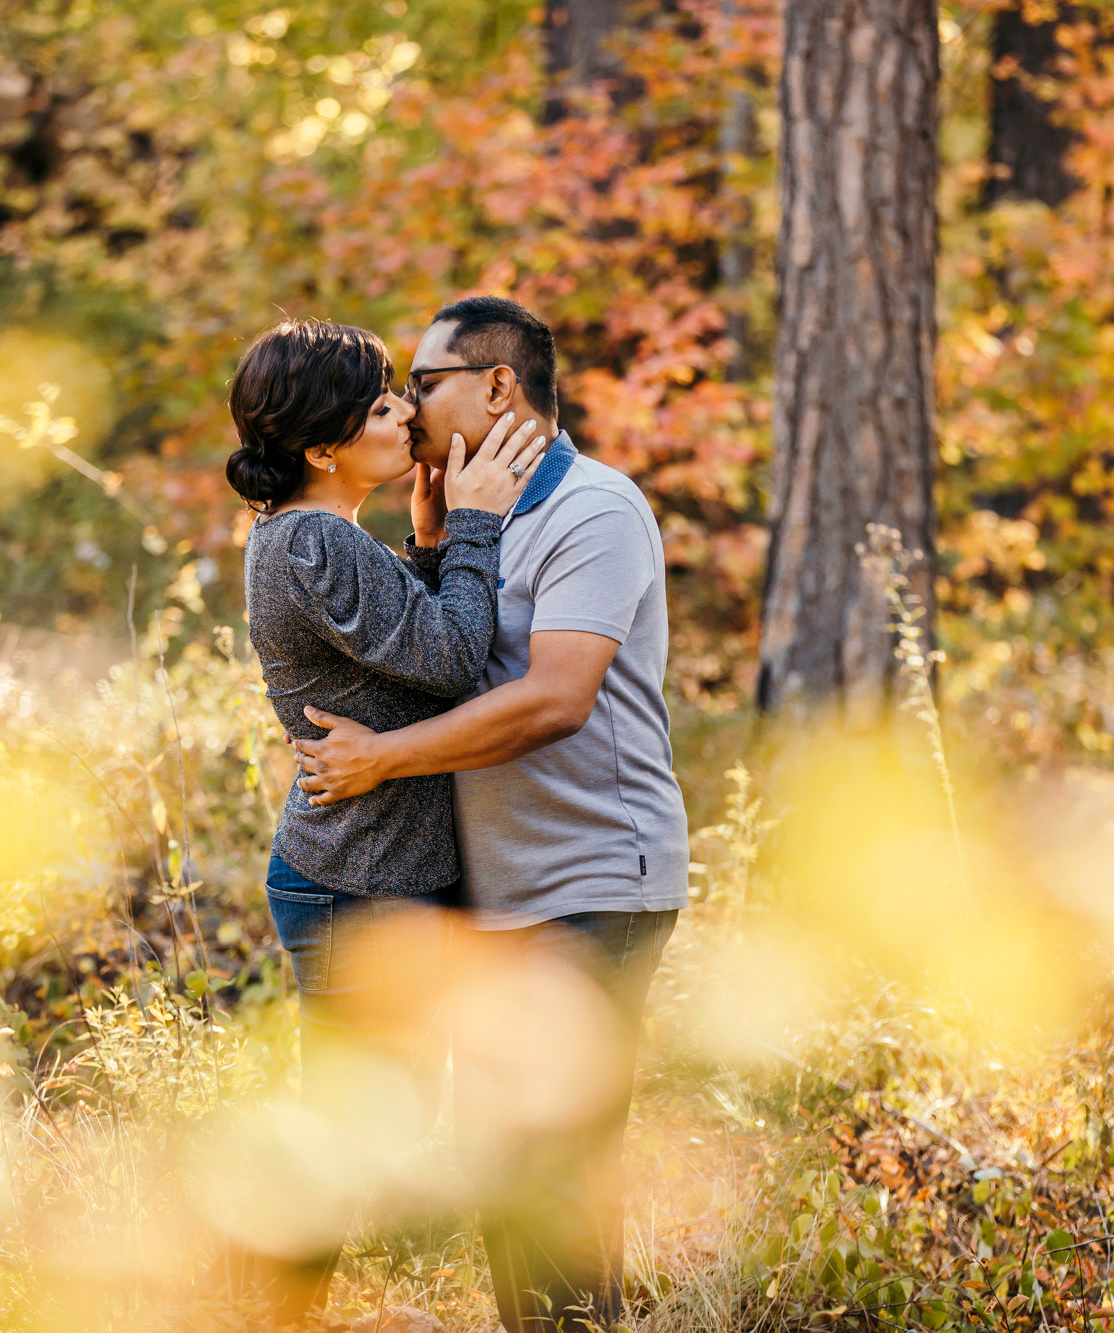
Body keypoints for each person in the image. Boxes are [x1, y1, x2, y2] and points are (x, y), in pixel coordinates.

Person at [292, 296, 689, 1333]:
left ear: (499, 387)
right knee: (507, 1185)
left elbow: (556, 697)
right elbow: (445, 661)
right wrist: (433, 548)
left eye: (424, 383)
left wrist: (380, 759)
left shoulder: (593, 510)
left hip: (593, 885)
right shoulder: (478, 508)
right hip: (499, 895)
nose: (404, 402)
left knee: (547, 1176)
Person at [224, 317, 546, 1320]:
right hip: (358, 882)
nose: (404, 409)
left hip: (366, 869)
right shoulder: (315, 538)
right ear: (322, 447)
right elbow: (448, 661)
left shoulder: (314, 535)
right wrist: (481, 520)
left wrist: (429, 541)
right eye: (378, 405)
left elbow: (396, 652)